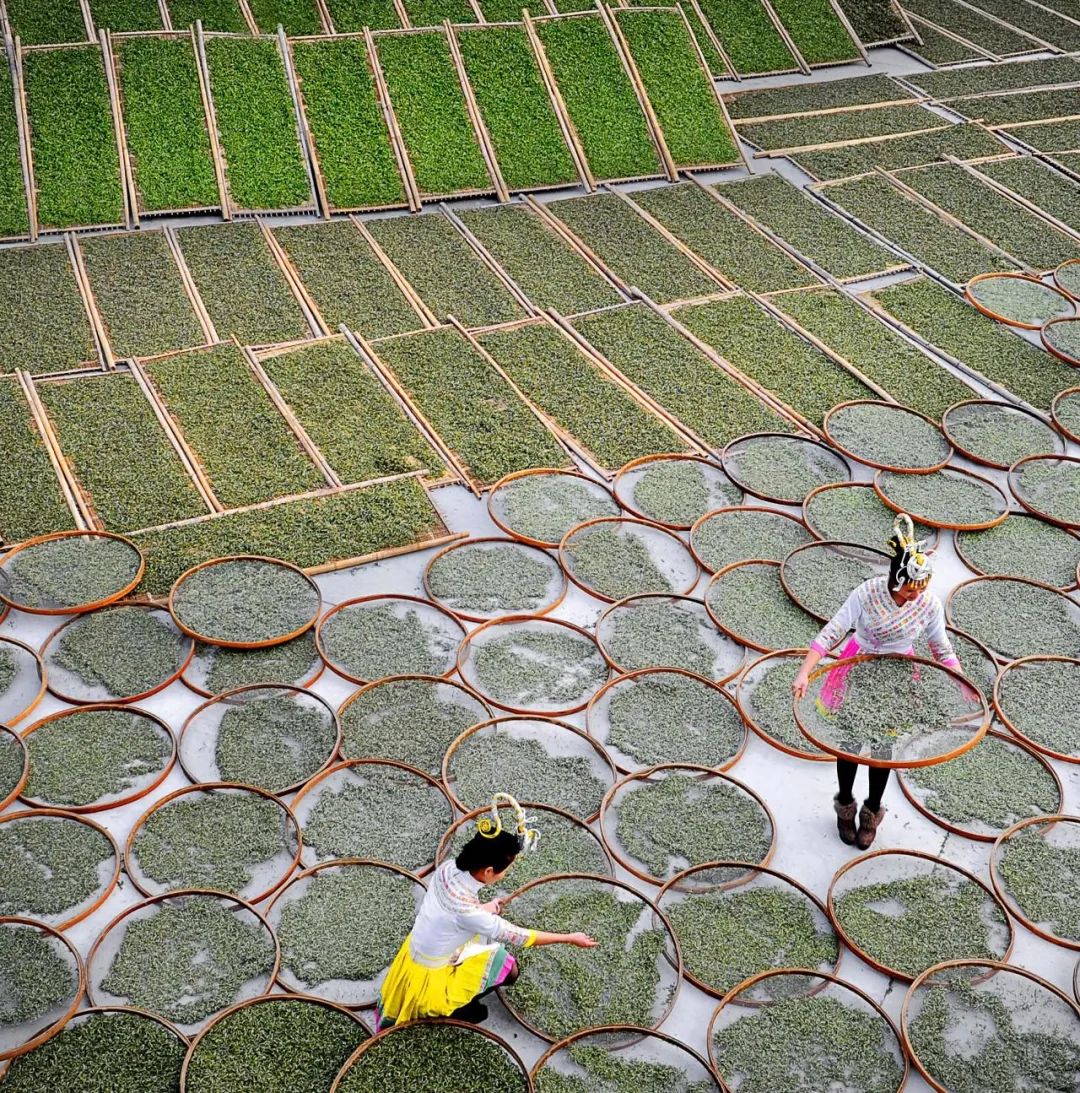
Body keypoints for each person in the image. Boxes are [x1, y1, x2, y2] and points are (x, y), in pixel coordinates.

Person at [791, 514, 962, 850]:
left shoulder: (928, 605)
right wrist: (805, 670)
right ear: (897, 579)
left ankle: (871, 813)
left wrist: (960, 682)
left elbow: (941, 647)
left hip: (896, 674)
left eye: (920, 588)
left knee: (883, 747)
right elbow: (834, 630)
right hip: (858, 665)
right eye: (910, 588)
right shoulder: (868, 593)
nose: (915, 595)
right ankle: (845, 807)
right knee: (850, 742)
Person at [375, 794, 596, 1031]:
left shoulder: (448, 869)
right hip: (429, 973)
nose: (505, 875)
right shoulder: (469, 912)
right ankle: (457, 1008)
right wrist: (570, 938)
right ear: (489, 871)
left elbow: (452, 912)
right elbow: (521, 936)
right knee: (508, 968)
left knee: (483, 937)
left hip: (419, 947)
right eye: (505, 871)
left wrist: (486, 908)